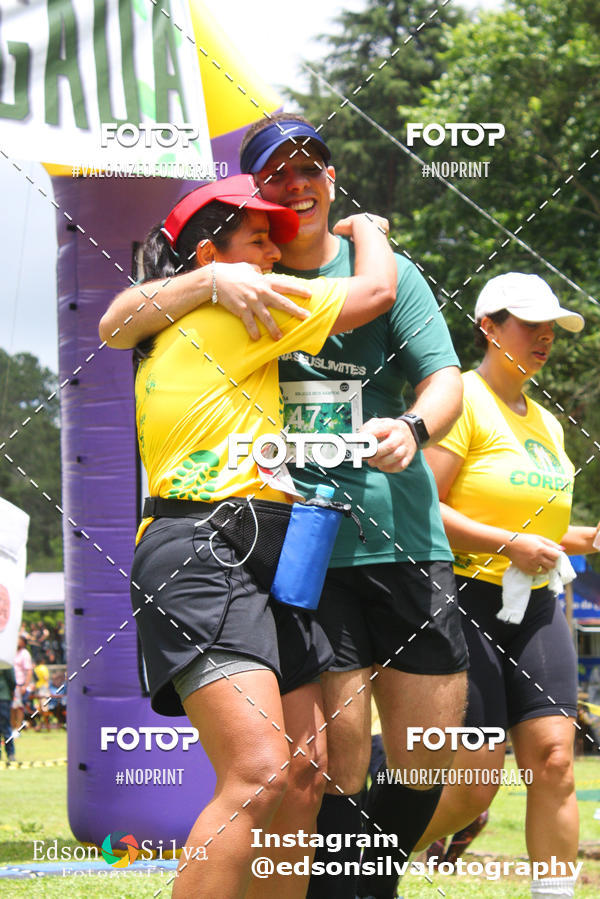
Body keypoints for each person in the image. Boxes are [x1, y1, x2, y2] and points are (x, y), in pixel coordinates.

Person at [100, 114, 468, 899]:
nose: (270, 246)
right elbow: (371, 290)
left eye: (314, 168)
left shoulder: (232, 296)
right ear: (215, 251)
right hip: (215, 544)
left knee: (303, 775)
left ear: (331, 177)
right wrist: (369, 231)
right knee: (272, 774)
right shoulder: (243, 303)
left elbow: (116, 317)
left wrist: (410, 426)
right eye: (256, 232)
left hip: (287, 551)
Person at [413, 273, 600, 899]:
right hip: (462, 598)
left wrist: (586, 537)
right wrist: (508, 544)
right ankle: (357, 859)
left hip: (538, 600)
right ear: (488, 327)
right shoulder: (457, 399)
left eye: (552, 327)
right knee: (470, 787)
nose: (545, 337)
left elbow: (533, 525)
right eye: (529, 324)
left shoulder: (548, 422)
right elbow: (425, 508)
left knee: (553, 760)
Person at [11, 634, 33, 736]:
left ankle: (17, 728)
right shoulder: (12, 652)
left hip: (20, 684)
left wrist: (25, 685)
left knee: (19, 707)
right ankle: (11, 727)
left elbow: (29, 671)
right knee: (11, 707)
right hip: (11, 683)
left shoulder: (25, 654)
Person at [0, 667, 16, 762]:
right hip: (3, 696)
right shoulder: (5, 659)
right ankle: (10, 754)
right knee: (6, 727)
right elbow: (11, 679)